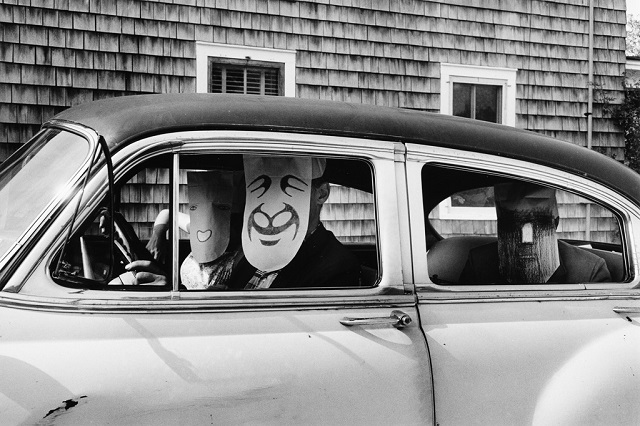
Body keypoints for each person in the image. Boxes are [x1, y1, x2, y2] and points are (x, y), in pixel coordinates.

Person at [126, 156, 361, 289]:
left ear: (321, 194)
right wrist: (170, 287)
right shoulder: (250, 245)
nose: (270, 206)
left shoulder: (336, 266)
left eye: (289, 188)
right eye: (261, 189)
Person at [459, 182, 611, 284]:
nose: (526, 240)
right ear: (501, 227)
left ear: (555, 223)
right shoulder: (479, 264)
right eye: (513, 226)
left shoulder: (588, 271)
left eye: (538, 225)